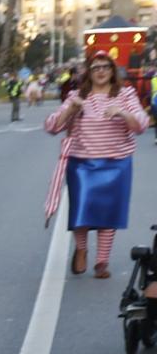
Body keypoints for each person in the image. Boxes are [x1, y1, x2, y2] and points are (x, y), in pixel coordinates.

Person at [45, 52, 151, 278]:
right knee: (82, 211)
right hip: (82, 163)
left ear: (113, 71)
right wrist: (71, 110)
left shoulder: (125, 94)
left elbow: (141, 125)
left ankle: (102, 261)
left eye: (105, 67)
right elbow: (51, 127)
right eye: (95, 68)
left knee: (109, 214)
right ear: (88, 72)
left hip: (117, 164)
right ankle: (81, 249)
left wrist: (122, 113)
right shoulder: (76, 96)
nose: (101, 71)